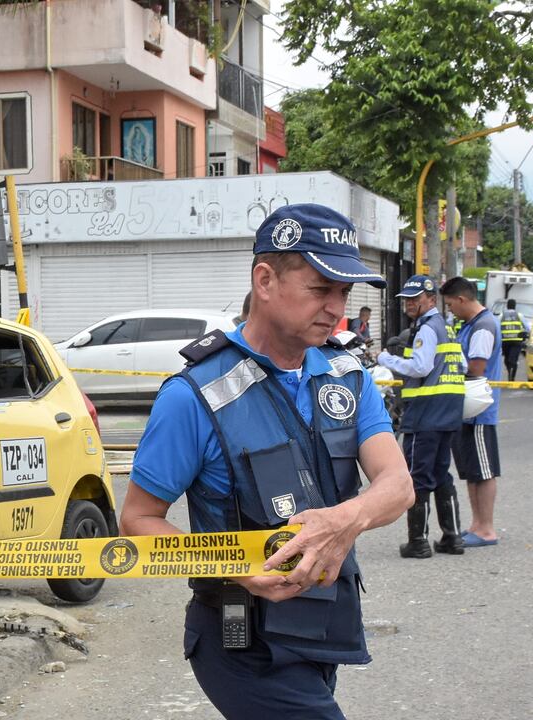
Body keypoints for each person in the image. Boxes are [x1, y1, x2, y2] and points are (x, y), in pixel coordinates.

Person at [120, 203, 413, 719]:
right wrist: (238, 569)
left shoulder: (347, 375)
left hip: (325, 630)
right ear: (265, 280)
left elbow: (397, 486)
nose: (336, 308)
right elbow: (138, 520)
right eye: (320, 289)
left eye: (344, 293)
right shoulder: (193, 394)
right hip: (243, 642)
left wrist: (343, 520)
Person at [376, 275, 467, 558]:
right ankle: (452, 538)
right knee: (441, 475)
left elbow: (420, 367)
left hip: (426, 412)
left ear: (431, 299)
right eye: (406, 299)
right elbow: (462, 365)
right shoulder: (447, 327)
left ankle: (418, 541)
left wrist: (385, 359)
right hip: (448, 411)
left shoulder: (427, 329)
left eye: (415, 299)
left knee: (419, 476)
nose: (409, 304)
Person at [440, 277, 503, 548]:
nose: (450, 310)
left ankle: (487, 528)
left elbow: (476, 367)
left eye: (450, 304)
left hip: (479, 412)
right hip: (467, 410)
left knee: (483, 471)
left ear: (462, 299)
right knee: (471, 471)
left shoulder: (483, 326)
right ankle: (477, 524)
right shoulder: (469, 324)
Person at [500, 299, 527, 380]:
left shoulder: (502, 315)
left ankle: (510, 372)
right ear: (515, 306)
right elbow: (527, 327)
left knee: (507, 359)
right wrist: (525, 334)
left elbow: (497, 326)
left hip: (505, 341)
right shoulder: (519, 315)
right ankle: (512, 376)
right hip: (517, 341)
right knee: (513, 359)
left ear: (507, 306)